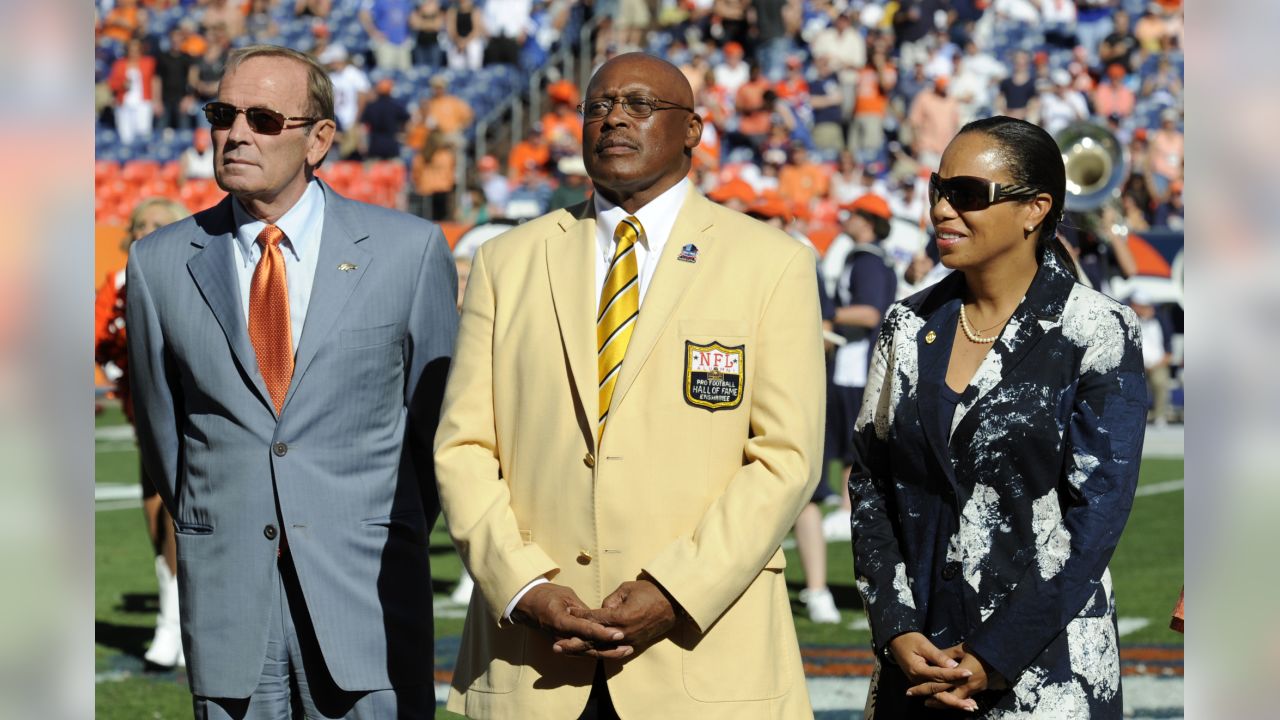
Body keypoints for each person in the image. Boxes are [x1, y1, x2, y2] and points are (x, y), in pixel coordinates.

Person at [434, 52, 824, 719]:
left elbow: (786, 458)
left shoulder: (771, 263)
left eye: (640, 105)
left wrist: (675, 589)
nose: (614, 118)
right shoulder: (507, 260)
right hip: (533, 663)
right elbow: (463, 446)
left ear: (694, 130)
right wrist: (523, 583)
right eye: (598, 107)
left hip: (703, 657)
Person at [126, 44, 458, 717]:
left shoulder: (408, 250)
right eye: (224, 113)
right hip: (230, 601)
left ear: (319, 140)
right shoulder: (158, 264)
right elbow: (166, 441)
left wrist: (367, 524)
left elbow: (436, 431)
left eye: (263, 118)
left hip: (367, 596)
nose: (237, 132)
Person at [849, 116, 1147, 717]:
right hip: (918, 666)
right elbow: (870, 484)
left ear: (1035, 209)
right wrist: (895, 626)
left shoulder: (1096, 329)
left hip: (1047, 672)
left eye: (966, 195)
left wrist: (993, 654)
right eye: (937, 189)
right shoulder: (905, 328)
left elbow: (1094, 521)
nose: (940, 209)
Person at [95, 196, 192, 670]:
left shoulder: (192, 271)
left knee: (181, 516)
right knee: (155, 518)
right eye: (137, 224)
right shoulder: (115, 283)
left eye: (157, 224)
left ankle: (176, 624)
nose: (144, 231)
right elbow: (95, 339)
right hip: (144, 415)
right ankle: (171, 620)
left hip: (192, 414)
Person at [820, 193, 897, 542]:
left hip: (858, 360)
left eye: (852, 214)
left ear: (866, 220)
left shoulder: (868, 262)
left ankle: (851, 510)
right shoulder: (866, 258)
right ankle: (846, 506)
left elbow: (868, 313)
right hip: (852, 359)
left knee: (857, 439)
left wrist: (825, 316)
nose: (845, 220)